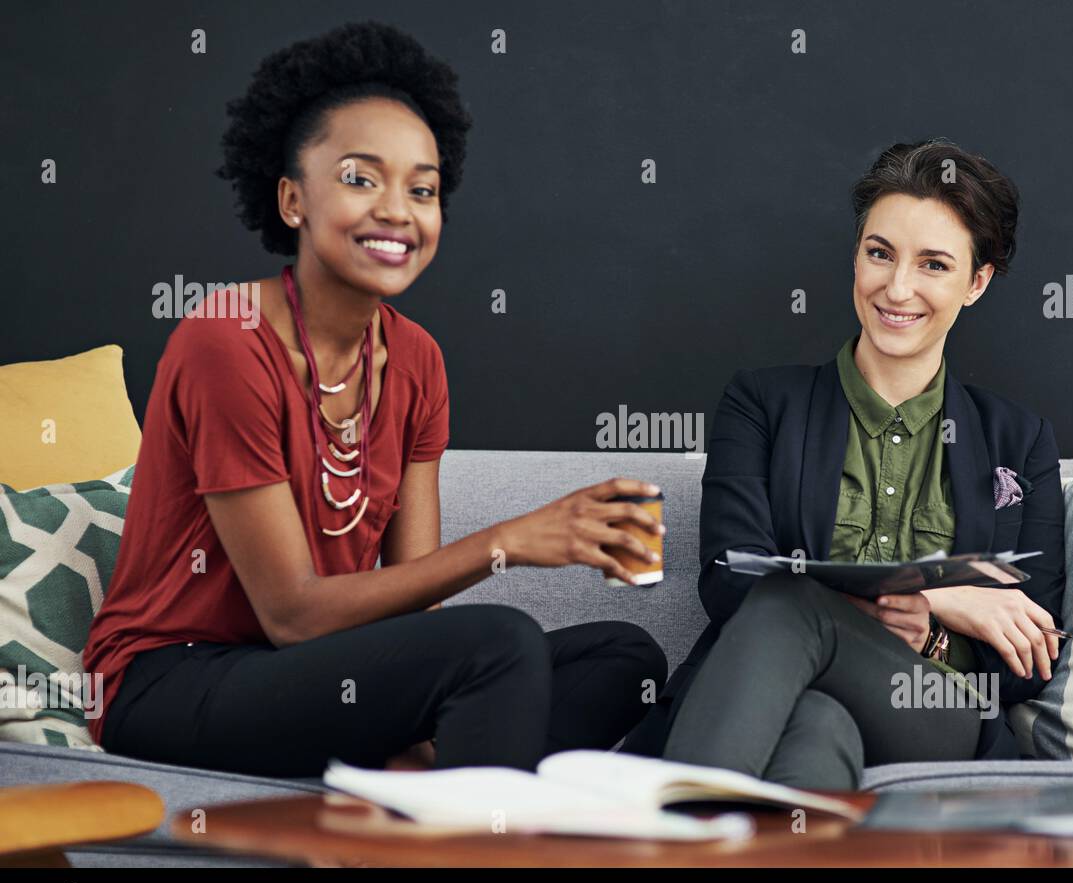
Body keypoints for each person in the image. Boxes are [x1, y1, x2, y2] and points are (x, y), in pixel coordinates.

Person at [82, 21, 666, 778]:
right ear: (293, 198)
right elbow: (289, 613)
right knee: (500, 641)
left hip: (316, 678)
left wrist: (412, 708)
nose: (398, 210)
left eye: (421, 189)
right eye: (362, 178)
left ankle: (410, 795)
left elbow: (411, 599)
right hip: (174, 679)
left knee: (623, 655)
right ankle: (453, 822)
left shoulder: (416, 359)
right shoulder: (225, 340)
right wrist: (509, 542)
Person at [621, 139, 1067, 790]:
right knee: (817, 727)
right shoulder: (762, 403)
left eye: (933, 264)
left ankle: (663, 840)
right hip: (777, 703)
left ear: (977, 280)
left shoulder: (1020, 441)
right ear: (856, 254)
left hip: (935, 717)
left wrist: (933, 632)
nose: (897, 286)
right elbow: (727, 580)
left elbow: (1032, 652)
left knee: (791, 598)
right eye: (879, 252)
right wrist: (939, 594)